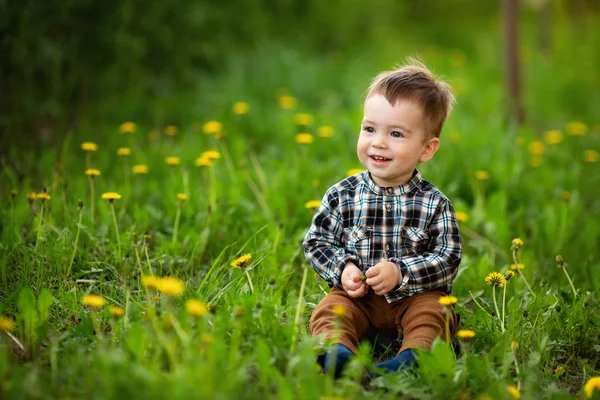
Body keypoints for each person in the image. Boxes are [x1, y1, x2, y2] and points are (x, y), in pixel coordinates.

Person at [303, 59, 462, 378]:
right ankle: (337, 353)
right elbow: (317, 242)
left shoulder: (433, 203)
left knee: (435, 312)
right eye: (370, 129)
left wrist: (401, 271)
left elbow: (448, 257)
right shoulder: (342, 194)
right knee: (331, 311)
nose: (378, 142)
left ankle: (410, 360)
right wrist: (343, 267)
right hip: (357, 296)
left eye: (397, 134)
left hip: (413, 297)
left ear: (426, 149)